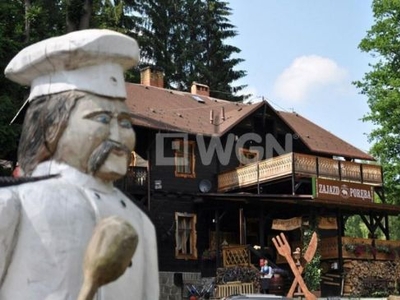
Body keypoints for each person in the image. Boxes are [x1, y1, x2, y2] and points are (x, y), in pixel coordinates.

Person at [0, 29, 159, 299]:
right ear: (51, 126)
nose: (119, 137)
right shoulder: (14, 204)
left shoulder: (140, 223)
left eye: (124, 123)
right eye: (100, 119)